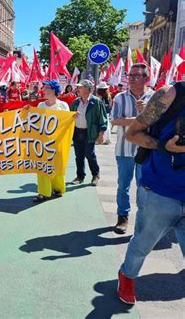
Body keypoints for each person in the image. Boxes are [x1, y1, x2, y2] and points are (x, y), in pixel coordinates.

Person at [117, 80, 185, 305]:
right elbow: (133, 134)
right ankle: (127, 276)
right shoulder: (169, 95)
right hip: (159, 190)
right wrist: (164, 146)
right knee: (143, 243)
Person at [110, 63, 155, 234]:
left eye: (137, 75)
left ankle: (143, 221)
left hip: (146, 150)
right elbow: (114, 120)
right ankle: (122, 217)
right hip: (124, 150)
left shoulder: (155, 97)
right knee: (123, 185)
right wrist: (140, 118)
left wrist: (148, 113)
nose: (132, 79)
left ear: (146, 78)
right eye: (130, 75)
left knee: (145, 187)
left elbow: (160, 122)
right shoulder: (120, 97)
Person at [32, 80, 70, 201]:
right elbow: (36, 122)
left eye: (46, 88)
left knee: (58, 165)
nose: (43, 90)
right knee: (43, 166)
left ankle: (58, 189)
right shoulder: (41, 106)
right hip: (43, 141)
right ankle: (43, 192)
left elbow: (67, 122)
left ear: (53, 90)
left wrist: (73, 117)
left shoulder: (63, 106)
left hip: (59, 141)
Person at [70, 79, 108, 186]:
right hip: (77, 132)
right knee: (79, 156)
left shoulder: (96, 102)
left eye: (81, 87)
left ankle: (95, 175)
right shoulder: (76, 102)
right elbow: (69, 116)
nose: (78, 89)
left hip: (89, 132)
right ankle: (80, 176)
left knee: (89, 154)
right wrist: (72, 116)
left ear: (87, 89)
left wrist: (101, 134)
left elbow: (103, 119)